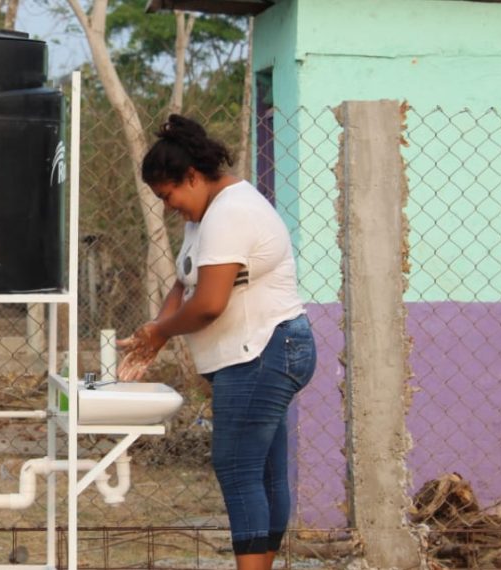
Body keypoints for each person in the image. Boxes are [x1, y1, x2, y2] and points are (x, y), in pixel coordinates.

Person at [116, 115, 317, 570]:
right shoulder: (206, 212)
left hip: (265, 351)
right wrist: (154, 335)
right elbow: (185, 285)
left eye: (168, 195)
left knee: (237, 467)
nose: (169, 207)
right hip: (259, 353)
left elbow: (208, 304)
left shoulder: (230, 212)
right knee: (263, 469)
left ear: (192, 176)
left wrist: (162, 331)